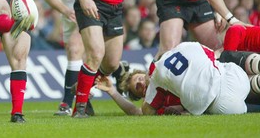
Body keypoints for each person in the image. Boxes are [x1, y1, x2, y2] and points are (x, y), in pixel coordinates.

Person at [96, 42, 251, 116]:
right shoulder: (184, 46)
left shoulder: (157, 83)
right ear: (142, 96)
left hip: (222, 96)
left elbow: (143, 112)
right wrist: (112, 91)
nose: (142, 83)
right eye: (138, 87)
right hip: (231, 80)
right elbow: (137, 111)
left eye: (140, 78)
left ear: (146, 73)